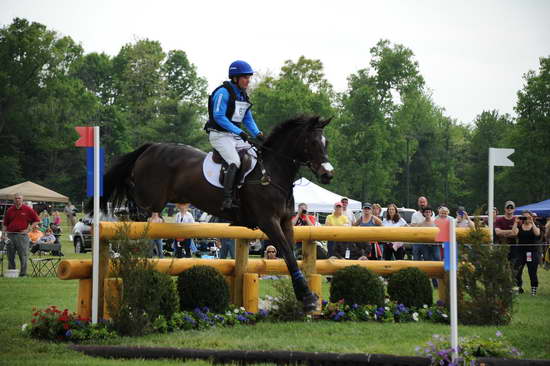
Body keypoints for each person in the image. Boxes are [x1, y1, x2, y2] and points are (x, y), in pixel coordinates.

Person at [204, 60, 265, 211]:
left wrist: (258, 134)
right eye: (245, 77)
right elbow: (219, 117)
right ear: (235, 78)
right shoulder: (222, 93)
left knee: (256, 155)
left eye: (249, 77)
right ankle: (227, 199)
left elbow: (247, 119)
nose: (248, 80)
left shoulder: (243, 95)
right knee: (235, 162)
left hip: (233, 136)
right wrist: (239, 132)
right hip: (219, 135)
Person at [1, 193, 41, 277]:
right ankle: (12, 273)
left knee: (23, 256)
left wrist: (29, 229)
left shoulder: (27, 209)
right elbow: (5, 224)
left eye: (19, 198)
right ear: (13, 200)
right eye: (16, 198)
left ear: (22, 199)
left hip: (22, 236)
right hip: (10, 235)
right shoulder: (9, 210)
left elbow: (37, 220)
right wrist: (3, 234)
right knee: (10, 256)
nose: (17, 200)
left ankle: (23, 274)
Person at [511, 211, 541, 295]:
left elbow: (537, 233)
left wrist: (532, 222)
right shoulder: (520, 227)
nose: (526, 219)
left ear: (531, 217)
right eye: (524, 217)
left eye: (528, 217)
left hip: (532, 252)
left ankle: (533, 290)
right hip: (521, 252)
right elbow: (513, 233)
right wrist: (515, 222)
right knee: (517, 271)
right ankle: (517, 288)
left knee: (532, 271)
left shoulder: (535, 225)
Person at [410, 196, 434, 260]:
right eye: (421, 202)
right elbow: (413, 227)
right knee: (416, 259)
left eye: (423, 202)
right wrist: (423, 223)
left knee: (427, 259)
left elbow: (433, 225)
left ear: (427, 203)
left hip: (428, 241)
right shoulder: (414, 214)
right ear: (418, 203)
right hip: (417, 241)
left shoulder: (432, 213)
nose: (422, 204)